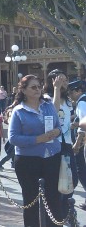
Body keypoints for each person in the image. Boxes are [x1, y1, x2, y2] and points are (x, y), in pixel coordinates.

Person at [9, 74, 62, 227]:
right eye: (33, 87)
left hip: (52, 157)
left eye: (39, 86)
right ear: (24, 90)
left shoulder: (48, 105)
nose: (37, 89)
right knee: (31, 200)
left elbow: (58, 126)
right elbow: (13, 138)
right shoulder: (18, 111)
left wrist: (56, 132)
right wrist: (38, 139)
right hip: (28, 160)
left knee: (53, 198)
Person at [47, 70, 79, 220]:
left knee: (72, 179)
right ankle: (59, 214)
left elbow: (65, 116)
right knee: (59, 181)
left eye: (65, 81)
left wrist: (74, 123)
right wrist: (56, 89)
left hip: (67, 144)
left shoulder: (67, 100)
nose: (65, 84)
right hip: (55, 145)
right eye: (62, 80)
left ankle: (66, 211)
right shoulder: (47, 98)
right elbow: (54, 112)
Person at [68, 79, 86, 211]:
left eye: (72, 92)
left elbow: (84, 125)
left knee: (81, 170)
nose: (70, 95)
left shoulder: (82, 103)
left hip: (83, 143)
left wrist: (77, 143)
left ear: (78, 91)